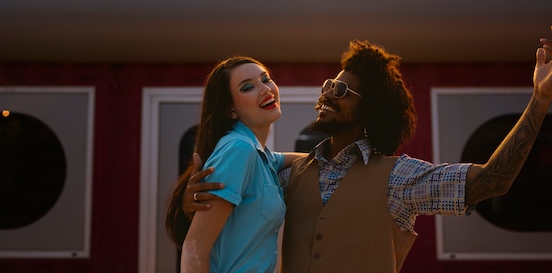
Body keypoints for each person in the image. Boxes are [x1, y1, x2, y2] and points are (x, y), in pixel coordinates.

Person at [183, 35, 552, 273]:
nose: (326, 93)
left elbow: (492, 181)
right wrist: (195, 199)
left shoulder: (399, 179)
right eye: (329, 84)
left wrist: (539, 101)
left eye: (341, 91)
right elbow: (232, 204)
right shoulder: (286, 175)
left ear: (369, 111)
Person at [165, 56, 305, 273]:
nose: (265, 89)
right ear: (230, 109)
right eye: (248, 87)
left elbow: (297, 159)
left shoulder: (260, 155)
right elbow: (195, 247)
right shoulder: (239, 150)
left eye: (266, 79)